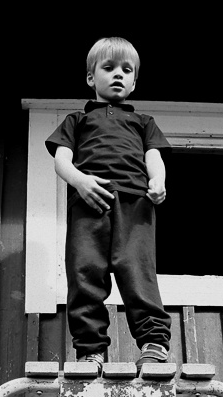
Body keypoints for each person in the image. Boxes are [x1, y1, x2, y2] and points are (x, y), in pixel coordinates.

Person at [45, 37, 172, 367]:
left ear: (134, 82)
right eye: (109, 67)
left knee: (137, 269)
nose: (118, 74)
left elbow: (154, 157)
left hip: (135, 202)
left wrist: (158, 181)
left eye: (127, 70)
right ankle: (91, 349)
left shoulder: (143, 122)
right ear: (91, 77)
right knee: (85, 272)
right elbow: (61, 160)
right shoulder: (77, 120)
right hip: (90, 201)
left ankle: (154, 343)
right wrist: (80, 181)